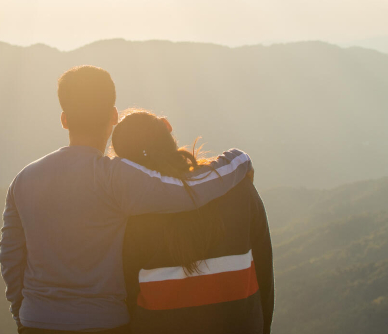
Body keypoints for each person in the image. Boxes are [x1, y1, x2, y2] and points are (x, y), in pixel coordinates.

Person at [0, 66, 253, 334]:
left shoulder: (24, 180)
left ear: (64, 119)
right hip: (104, 324)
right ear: (113, 116)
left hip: (35, 322)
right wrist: (239, 159)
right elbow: (188, 191)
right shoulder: (114, 177)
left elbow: (10, 258)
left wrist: (23, 313)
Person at [115, 110, 274, 334]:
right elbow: (264, 272)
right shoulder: (240, 190)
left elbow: (126, 293)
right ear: (167, 125)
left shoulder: (132, 212)